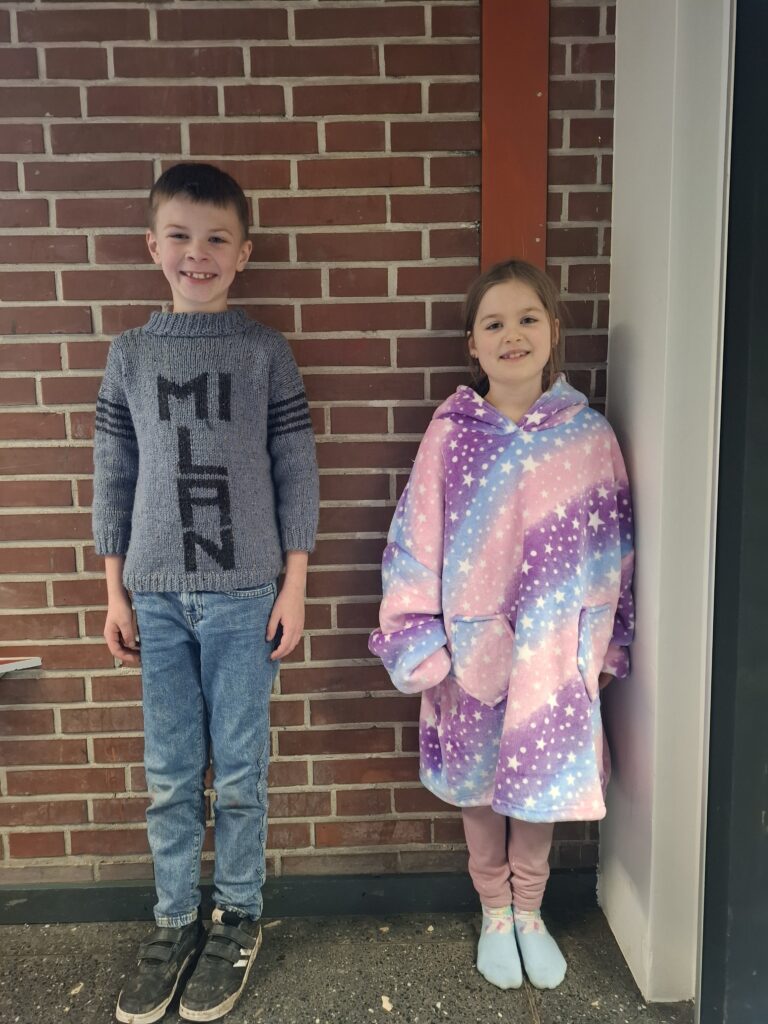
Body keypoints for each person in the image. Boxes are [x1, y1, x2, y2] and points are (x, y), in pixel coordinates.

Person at [92, 162, 319, 1023]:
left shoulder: (264, 353)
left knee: (243, 770)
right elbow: (113, 476)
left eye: (217, 238)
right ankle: (173, 922)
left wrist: (295, 584)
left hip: (246, 594)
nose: (198, 253)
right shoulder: (130, 355)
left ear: (244, 252)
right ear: (153, 246)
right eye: (181, 236)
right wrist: (113, 591)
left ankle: (238, 919)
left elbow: (296, 470)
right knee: (171, 774)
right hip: (153, 598)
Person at [369, 259, 634, 991]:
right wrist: (421, 639)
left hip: (554, 652)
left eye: (526, 318)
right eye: (494, 323)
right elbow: (415, 537)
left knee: (538, 784)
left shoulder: (588, 437)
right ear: (473, 344)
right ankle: (493, 910)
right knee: (481, 787)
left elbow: (615, 545)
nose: (511, 334)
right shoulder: (451, 435)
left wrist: (607, 642)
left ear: (554, 329)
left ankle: (531, 911)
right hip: (472, 650)